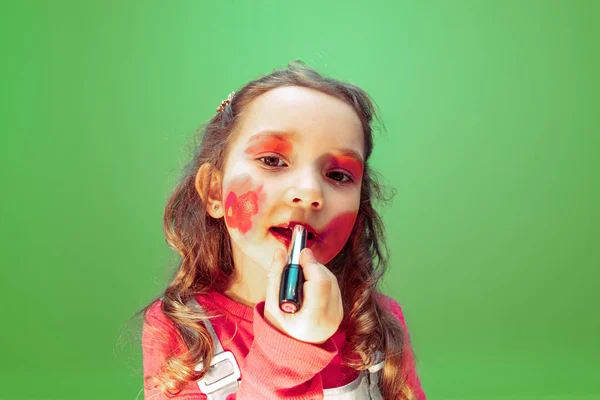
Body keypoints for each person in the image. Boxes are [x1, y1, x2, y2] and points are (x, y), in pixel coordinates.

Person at [141, 61, 426, 400]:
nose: (309, 192)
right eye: (272, 160)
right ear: (214, 191)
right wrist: (288, 350)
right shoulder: (180, 330)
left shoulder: (379, 322)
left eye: (338, 175)